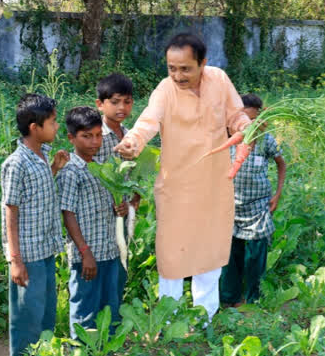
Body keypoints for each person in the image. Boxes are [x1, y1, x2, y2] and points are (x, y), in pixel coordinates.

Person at [114, 33, 252, 323]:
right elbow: (147, 121)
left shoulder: (219, 80)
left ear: (203, 63)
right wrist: (133, 143)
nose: (177, 75)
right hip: (176, 186)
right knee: (172, 253)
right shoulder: (165, 90)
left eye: (185, 68)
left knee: (210, 249)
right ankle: (170, 318)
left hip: (215, 183)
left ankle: (206, 318)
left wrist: (245, 128)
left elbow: (236, 115)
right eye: (171, 68)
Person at [1, 93, 69, 356]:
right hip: (27, 253)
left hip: (45, 248)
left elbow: (36, 195)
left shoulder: (42, 157)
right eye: (52, 122)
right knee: (27, 310)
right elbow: (11, 210)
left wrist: (54, 168)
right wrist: (15, 259)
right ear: (34, 127)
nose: (57, 127)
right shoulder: (16, 163)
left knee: (45, 307)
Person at [57, 107, 124, 336]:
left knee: (109, 305)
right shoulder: (71, 171)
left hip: (109, 249)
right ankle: (82, 350)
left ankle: (107, 349)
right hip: (86, 256)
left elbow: (109, 205)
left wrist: (120, 208)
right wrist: (85, 252)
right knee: (85, 305)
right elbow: (68, 213)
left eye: (97, 135)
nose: (94, 142)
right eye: (87, 136)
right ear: (71, 138)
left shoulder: (101, 168)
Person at [220, 93, 286, 306]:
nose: (247, 126)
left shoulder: (266, 141)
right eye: (242, 120)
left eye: (252, 121)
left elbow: (281, 164)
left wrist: (277, 194)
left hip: (258, 206)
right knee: (231, 255)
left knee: (256, 255)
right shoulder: (228, 140)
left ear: (260, 119)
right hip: (230, 206)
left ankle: (254, 298)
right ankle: (230, 298)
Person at [94, 73, 140, 299]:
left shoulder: (131, 137)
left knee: (119, 266)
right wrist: (114, 202)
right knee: (98, 269)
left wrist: (132, 204)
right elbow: (94, 176)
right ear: (100, 105)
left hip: (122, 218)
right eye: (115, 102)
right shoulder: (96, 137)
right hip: (98, 218)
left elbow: (136, 179)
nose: (122, 107)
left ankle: (113, 320)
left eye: (127, 101)